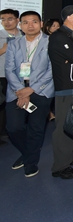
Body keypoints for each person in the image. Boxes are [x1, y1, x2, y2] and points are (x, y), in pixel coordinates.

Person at [5, 11, 54, 178]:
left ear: (41, 24)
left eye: (34, 21)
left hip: (41, 90)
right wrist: (21, 91)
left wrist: (32, 89)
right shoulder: (14, 43)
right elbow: (9, 69)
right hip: (17, 90)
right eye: (25, 22)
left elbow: (52, 70)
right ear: (20, 25)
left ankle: (30, 163)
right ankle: (28, 153)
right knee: (13, 128)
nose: (30, 25)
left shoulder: (50, 42)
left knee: (36, 128)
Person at [48, 5, 73, 180]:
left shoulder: (72, 36)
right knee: (63, 128)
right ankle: (60, 166)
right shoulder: (59, 37)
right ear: (69, 17)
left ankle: (71, 155)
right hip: (65, 88)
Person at [0, 9, 23, 141]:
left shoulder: (24, 34)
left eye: (9, 19)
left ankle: (12, 129)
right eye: (3, 19)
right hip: (2, 76)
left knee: (16, 103)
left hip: (20, 76)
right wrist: (3, 50)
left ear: (17, 20)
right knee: (2, 104)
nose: (6, 22)